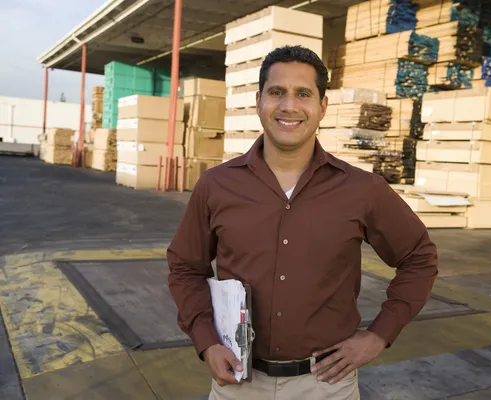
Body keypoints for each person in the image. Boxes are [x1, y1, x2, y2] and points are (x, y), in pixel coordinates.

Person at [167, 45, 438, 400]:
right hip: (238, 381)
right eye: (276, 92)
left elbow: (419, 257)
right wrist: (206, 343)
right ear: (259, 100)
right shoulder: (216, 186)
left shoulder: (361, 189)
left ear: (322, 106)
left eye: (304, 94)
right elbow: (185, 268)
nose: (289, 106)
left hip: (326, 385)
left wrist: (379, 335)